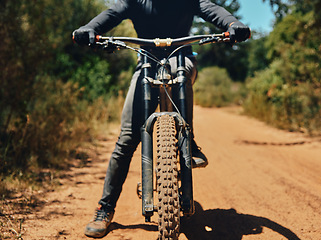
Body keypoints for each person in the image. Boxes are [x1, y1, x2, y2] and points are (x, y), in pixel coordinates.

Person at [72, 0, 250, 237]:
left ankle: (189, 139)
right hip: (145, 60)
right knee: (126, 138)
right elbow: (111, 14)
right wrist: (90, 29)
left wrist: (233, 23)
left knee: (182, 72)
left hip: (181, 57)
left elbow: (213, 10)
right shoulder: (134, 1)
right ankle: (104, 209)